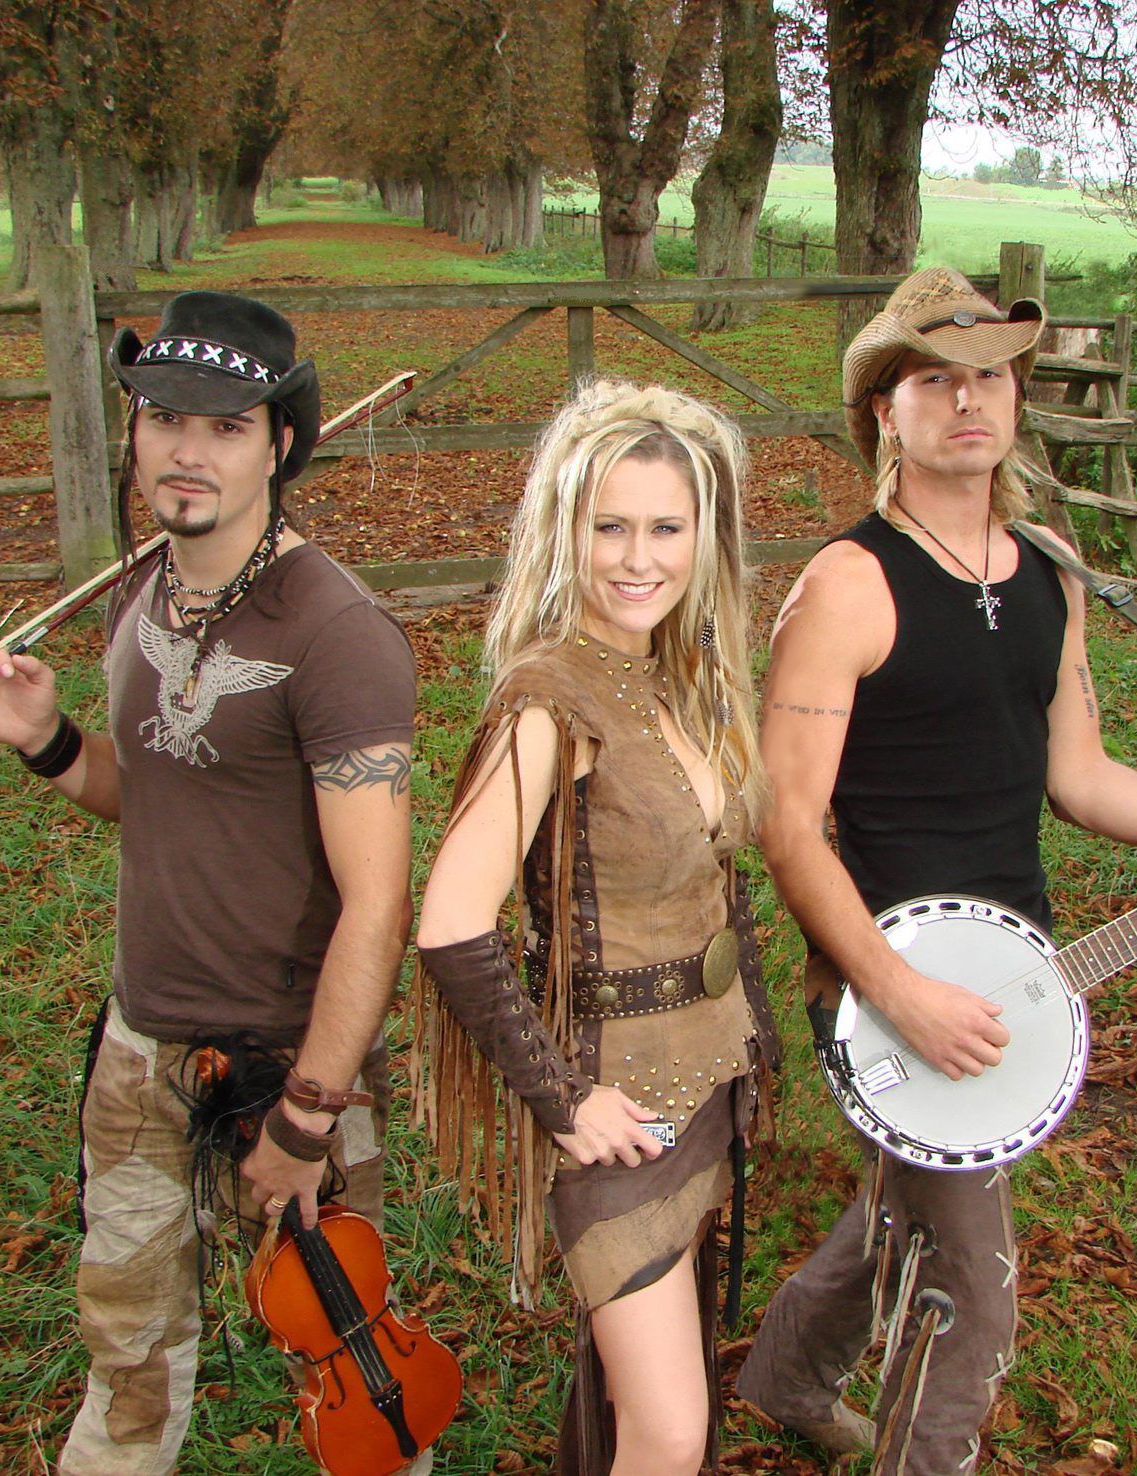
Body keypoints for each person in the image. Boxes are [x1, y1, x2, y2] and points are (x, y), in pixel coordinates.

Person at [735, 266, 1137, 1474]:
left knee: (907, 1204)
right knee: (971, 1297)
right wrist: (895, 990)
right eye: (933, 378)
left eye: (989, 376)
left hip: (1017, 969)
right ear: (883, 411)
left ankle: (785, 1378)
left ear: (1016, 398)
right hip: (882, 982)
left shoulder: (1047, 567)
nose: (966, 399)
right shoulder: (846, 585)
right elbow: (788, 825)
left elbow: (1079, 778)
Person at [0, 291, 418, 1475]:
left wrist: (308, 1116)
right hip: (141, 1044)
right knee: (128, 1357)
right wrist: (48, 741)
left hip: (286, 1057)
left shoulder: (336, 632)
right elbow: (153, 791)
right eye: (163, 417)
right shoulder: (141, 591)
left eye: (224, 426)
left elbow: (378, 906)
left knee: (346, 1351)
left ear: (281, 444)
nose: (186, 450)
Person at [411, 380, 779, 1476]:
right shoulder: (549, 699)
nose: (637, 558)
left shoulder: (674, 676)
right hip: (622, 1108)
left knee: (646, 1405)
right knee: (668, 1431)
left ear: (704, 538)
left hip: (705, 1076)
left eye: (665, 528)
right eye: (608, 526)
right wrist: (563, 1100)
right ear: (561, 529)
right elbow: (450, 924)